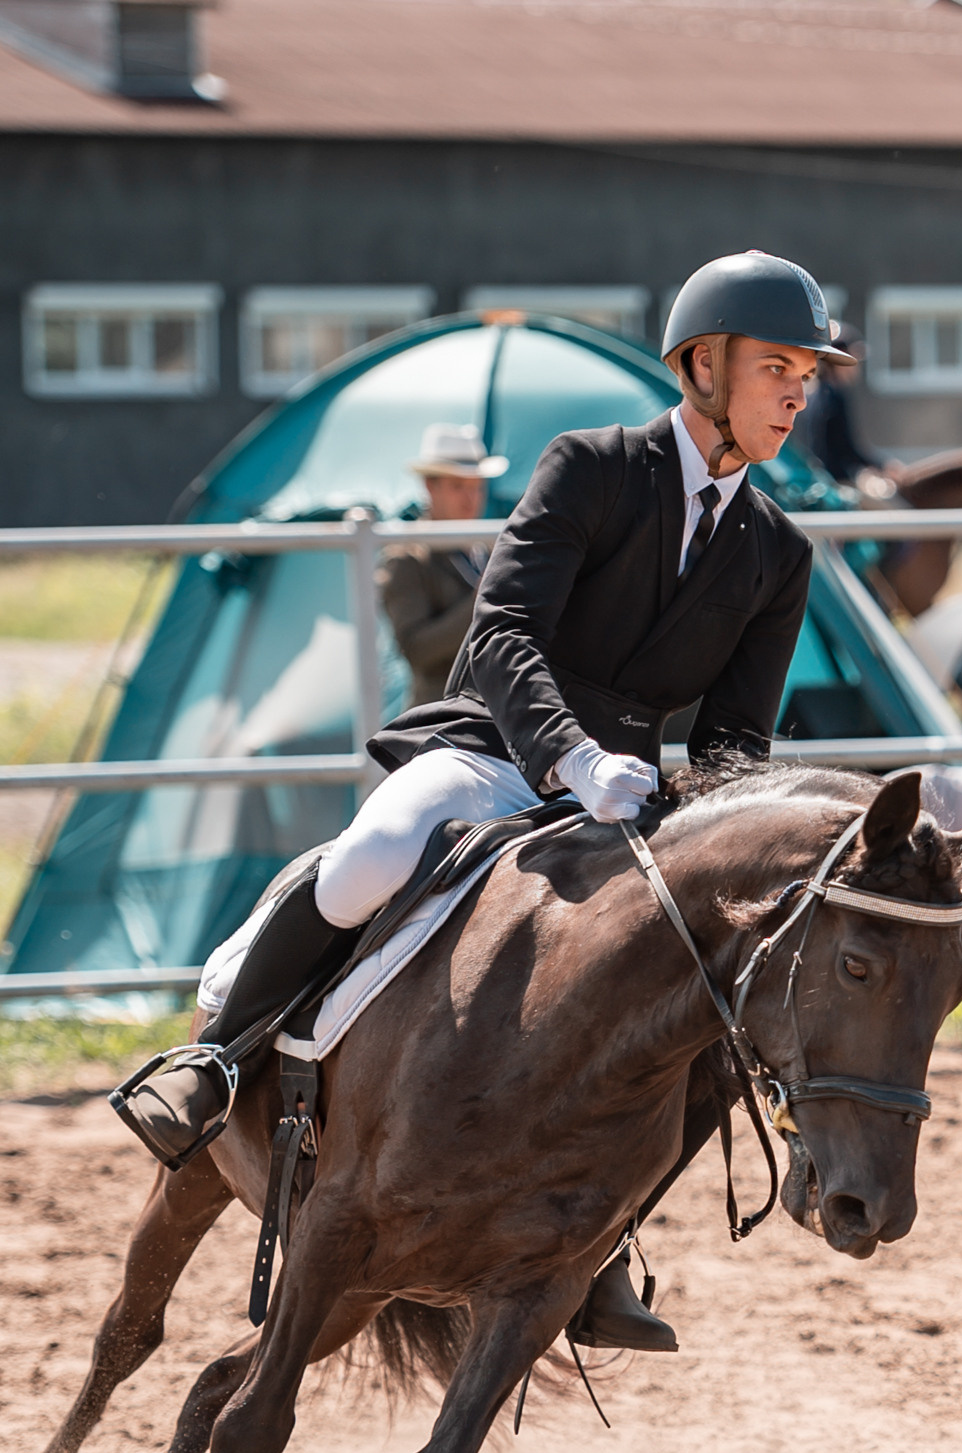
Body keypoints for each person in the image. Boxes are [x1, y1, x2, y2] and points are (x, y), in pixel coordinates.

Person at [113, 250, 849, 1350]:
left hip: (631, 804)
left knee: (694, 1006)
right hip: (499, 749)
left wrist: (699, 824)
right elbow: (499, 635)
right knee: (375, 851)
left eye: (810, 372)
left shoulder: (777, 548)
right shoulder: (592, 467)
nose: (800, 391)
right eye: (777, 366)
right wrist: (570, 758)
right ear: (704, 365)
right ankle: (218, 1059)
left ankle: (599, 1245)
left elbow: (738, 740)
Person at [379, 424, 508, 709]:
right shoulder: (406, 557)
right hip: (439, 717)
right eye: (458, 486)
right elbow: (417, 650)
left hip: (498, 711)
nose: (471, 498)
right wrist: (482, 601)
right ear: (429, 486)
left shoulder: (488, 548)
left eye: (477, 486)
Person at [800, 323, 883, 486]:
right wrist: (881, 466)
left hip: (819, 479)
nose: (857, 366)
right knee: (895, 508)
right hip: (838, 482)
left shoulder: (811, 392)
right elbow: (847, 449)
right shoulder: (834, 396)